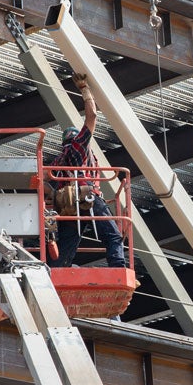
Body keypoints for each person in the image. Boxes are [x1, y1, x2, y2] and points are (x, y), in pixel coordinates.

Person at [49, 73, 127, 269]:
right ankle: (118, 267)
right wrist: (85, 89)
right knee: (112, 235)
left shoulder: (58, 160)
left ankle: (56, 271)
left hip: (67, 206)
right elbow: (92, 116)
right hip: (86, 196)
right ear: (76, 139)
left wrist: (55, 197)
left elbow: (41, 179)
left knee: (67, 243)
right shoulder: (79, 148)